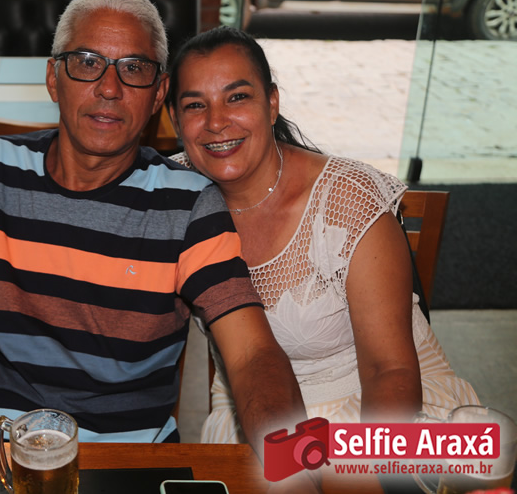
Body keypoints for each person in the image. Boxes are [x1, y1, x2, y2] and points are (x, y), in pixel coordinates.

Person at [0, 0, 318, 494]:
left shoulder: (189, 205)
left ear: (158, 94)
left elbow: (252, 355)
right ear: (53, 78)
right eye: (87, 62)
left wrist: (293, 467)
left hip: (128, 464)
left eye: (133, 68)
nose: (109, 88)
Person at [164, 26, 479, 444]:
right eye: (195, 105)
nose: (216, 122)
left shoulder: (347, 200)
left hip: (375, 407)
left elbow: (389, 371)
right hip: (251, 413)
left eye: (237, 97)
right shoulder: (169, 195)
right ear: (175, 119)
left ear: (271, 104)